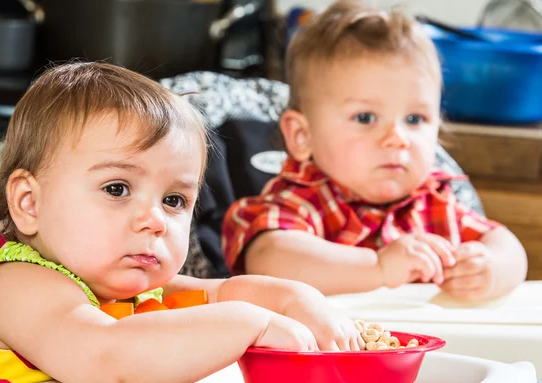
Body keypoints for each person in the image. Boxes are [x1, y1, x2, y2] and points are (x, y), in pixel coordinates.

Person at [0, 62, 362, 383]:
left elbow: (225, 292)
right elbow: (113, 363)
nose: (155, 220)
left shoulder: (125, 289)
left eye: (174, 200)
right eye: (117, 188)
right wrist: (247, 323)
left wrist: (295, 297)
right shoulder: (15, 285)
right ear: (29, 203)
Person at [222, 0, 527, 300]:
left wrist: (491, 268)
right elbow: (270, 260)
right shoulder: (301, 202)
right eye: (365, 118)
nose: (397, 138)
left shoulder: (436, 203)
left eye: (414, 119)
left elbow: (507, 246)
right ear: (302, 135)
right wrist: (378, 267)